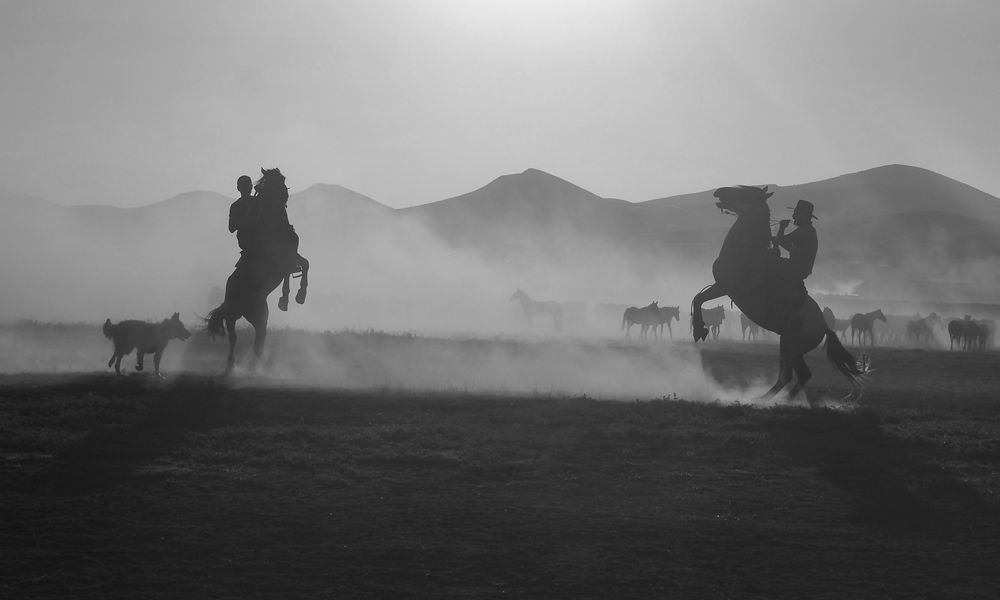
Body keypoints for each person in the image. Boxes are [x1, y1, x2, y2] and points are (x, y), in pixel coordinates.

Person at [772, 199, 818, 308]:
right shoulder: (808, 230)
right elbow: (792, 249)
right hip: (799, 268)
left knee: (768, 263)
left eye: (796, 214)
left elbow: (781, 240)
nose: (793, 217)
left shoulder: (804, 231)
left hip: (794, 268)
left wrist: (781, 228)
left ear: (803, 216)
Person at [229, 175, 259, 268]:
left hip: (261, 237)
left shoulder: (258, 201)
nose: (248, 187)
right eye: (245, 185)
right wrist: (244, 219)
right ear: (239, 188)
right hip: (248, 242)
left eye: (249, 185)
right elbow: (231, 228)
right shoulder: (235, 206)